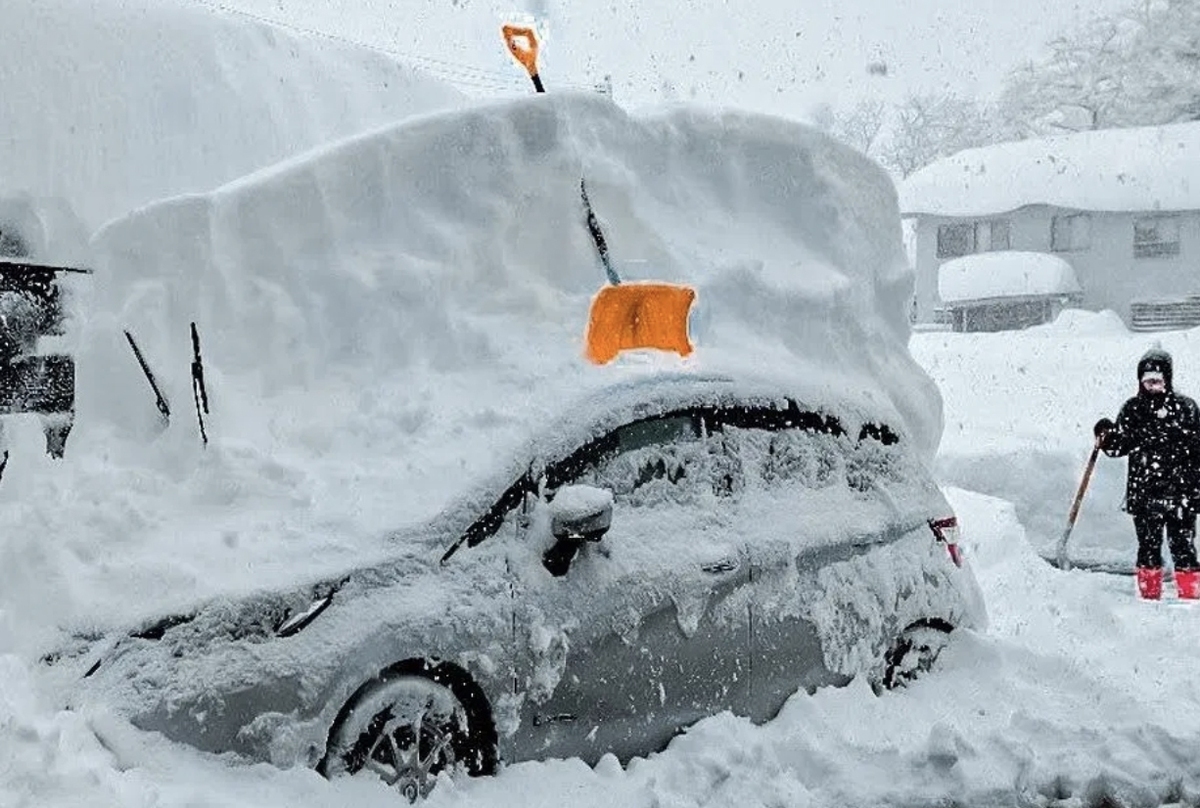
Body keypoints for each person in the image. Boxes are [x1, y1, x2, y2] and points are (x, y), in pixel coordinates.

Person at [1093, 347, 1200, 600]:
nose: (1152, 385)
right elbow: (1120, 445)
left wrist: (1194, 490)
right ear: (1140, 380)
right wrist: (1107, 437)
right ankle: (1149, 598)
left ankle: (1192, 598)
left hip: (1180, 494)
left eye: (1158, 380)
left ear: (1168, 379)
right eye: (1147, 380)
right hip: (1145, 494)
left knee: (1183, 548)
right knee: (1148, 548)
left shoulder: (1186, 409)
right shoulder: (1133, 410)